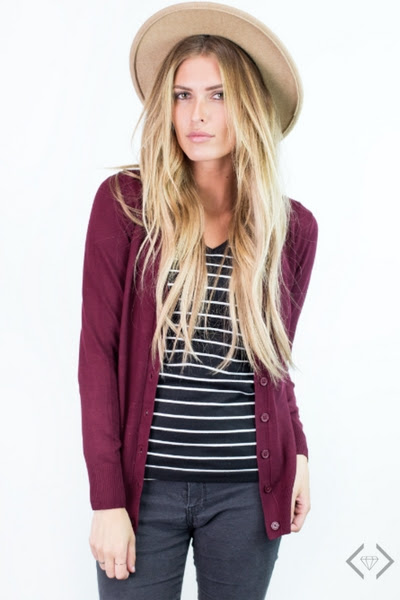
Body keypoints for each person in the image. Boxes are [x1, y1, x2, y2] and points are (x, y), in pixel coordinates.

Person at [77, 2, 318, 599]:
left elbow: (274, 364)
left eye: (217, 95)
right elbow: (97, 358)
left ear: (250, 107)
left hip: (247, 491)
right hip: (145, 494)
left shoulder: (292, 229)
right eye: (183, 96)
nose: (197, 115)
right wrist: (106, 500)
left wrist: (300, 452)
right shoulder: (125, 205)